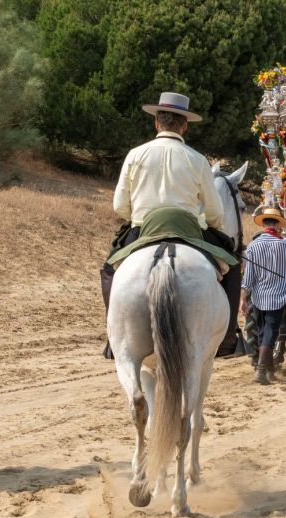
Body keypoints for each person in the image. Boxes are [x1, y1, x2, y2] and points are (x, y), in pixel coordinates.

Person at [100, 92, 241, 358]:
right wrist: (211, 226)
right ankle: (227, 338)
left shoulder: (135, 154)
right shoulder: (198, 159)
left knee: (109, 271)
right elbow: (213, 210)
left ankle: (115, 338)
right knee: (232, 269)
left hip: (143, 229)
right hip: (189, 231)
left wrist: (136, 216)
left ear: (156, 123)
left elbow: (119, 205)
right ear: (184, 125)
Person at [240, 208, 286, 384]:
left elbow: (248, 277)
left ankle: (270, 371)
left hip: (258, 296)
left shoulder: (252, 246)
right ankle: (261, 370)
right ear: (277, 226)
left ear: (264, 225)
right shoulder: (285, 245)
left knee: (261, 332)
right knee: (271, 331)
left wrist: (243, 298)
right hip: (278, 295)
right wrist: (283, 274)